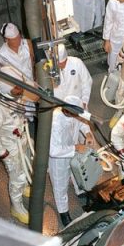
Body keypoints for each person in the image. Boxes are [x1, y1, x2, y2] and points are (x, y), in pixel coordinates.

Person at [0, 66, 31, 224]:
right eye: (16, 90)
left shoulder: (11, 95)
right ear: (6, 90)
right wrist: (4, 153)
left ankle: (23, 186)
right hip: (10, 148)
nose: (20, 92)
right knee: (16, 176)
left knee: (25, 168)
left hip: (21, 139)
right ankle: (16, 208)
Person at [49, 95, 96, 227]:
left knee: (77, 173)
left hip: (74, 151)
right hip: (59, 159)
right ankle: (63, 212)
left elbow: (82, 122)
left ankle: (79, 191)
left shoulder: (74, 113)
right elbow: (53, 150)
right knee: (60, 186)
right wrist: (75, 147)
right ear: (67, 111)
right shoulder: (55, 122)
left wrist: (87, 133)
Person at [0, 22, 36, 118]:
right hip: (19, 88)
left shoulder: (27, 43)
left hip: (32, 81)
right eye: (14, 40)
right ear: (7, 40)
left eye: (19, 37)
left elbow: (34, 58)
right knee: (24, 113)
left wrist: (36, 75)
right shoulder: (0, 53)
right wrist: (6, 88)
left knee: (36, 104)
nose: (18, 41)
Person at [53, 44, 93, 108]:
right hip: (60, 105)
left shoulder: (77, 63)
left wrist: (85, 100)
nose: (58, 65)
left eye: (61, 63)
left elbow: (87, 81)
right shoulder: (51, 68)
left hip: (77, 102)